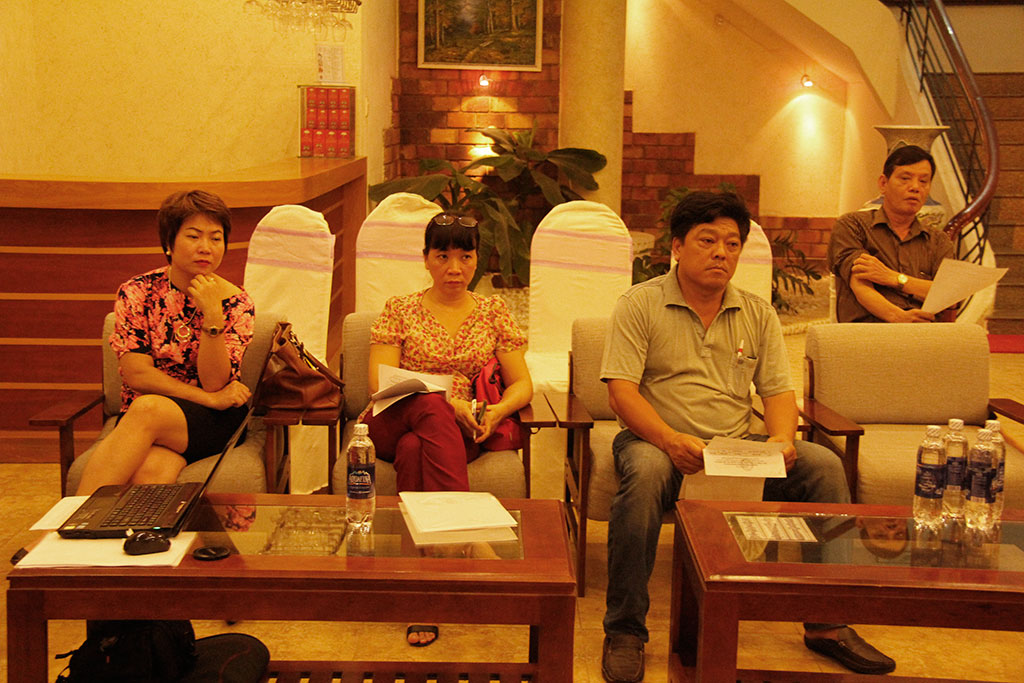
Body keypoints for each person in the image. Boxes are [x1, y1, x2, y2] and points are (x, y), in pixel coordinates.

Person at [599, 191, 895, 682]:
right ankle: (626, 630)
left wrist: (780, 439)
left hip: (735, 449)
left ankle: (828, 622)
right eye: (707, 241)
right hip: (657, 443)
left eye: (732, 244)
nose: (722, 252)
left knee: (822, 466)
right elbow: (621, 394)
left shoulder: (757, 313)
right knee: (646, 475)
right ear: (677, 247)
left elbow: (777, 392)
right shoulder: (640, 303)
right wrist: (670, 439)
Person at [362, 212, 532, 646]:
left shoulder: (493, 312)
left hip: (456, 434)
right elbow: (379, 381)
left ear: (477, 260)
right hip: (393, 415)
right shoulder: (400, 308)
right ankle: (470, 534)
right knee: (431, 405)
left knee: (415, 450)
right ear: (426, 259)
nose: (454, 268)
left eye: (465, 256)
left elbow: (523, 384)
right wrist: (447, 400)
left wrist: (498, 411)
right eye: (443, 256)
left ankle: (423, 594)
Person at [76, 190, 254, 495]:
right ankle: (141, 530)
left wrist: (213, 313)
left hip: (213, 420)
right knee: (151, 470)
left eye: (216, 238)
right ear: (169, 243)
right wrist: (208, 398)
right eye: (193, 236)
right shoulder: (138, 292)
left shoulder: (237, 303)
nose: (205, 247)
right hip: (152, 415)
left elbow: (215, 383)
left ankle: (72, 519)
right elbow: (137, 375)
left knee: (148, 409)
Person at [827, 145, 954, 323]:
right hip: (868, 332)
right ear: (883, 184)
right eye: (905, 178)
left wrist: (894, 278)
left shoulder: (938, 241)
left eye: (923, 181)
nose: (915, 187)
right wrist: (899, 317)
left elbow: (948, 294)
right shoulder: (853, 225)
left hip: (923, 331)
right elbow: (860, 284)